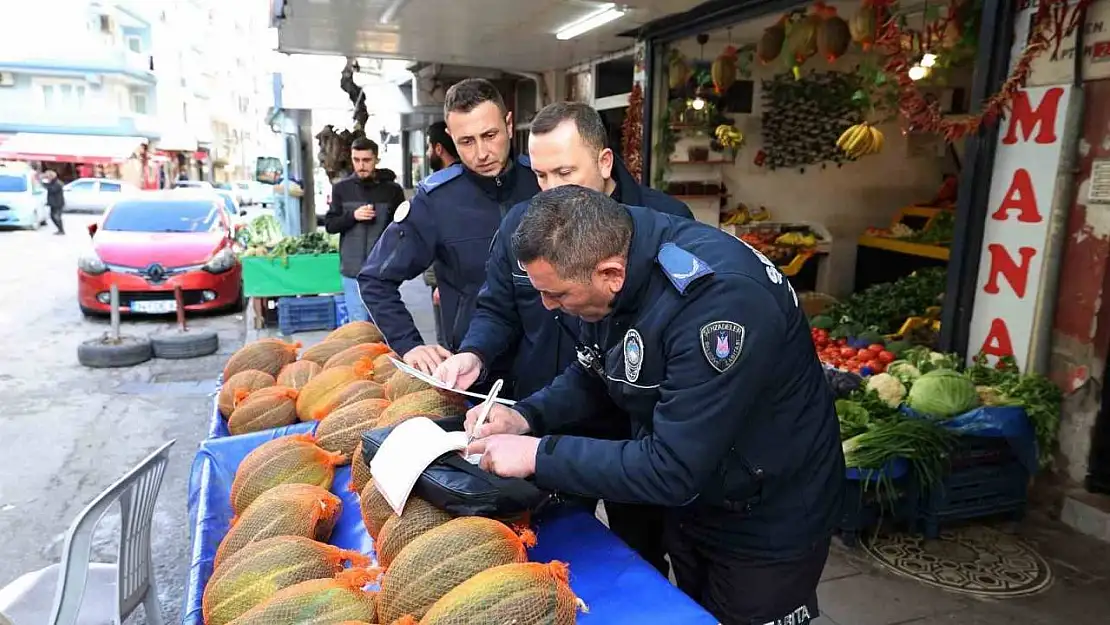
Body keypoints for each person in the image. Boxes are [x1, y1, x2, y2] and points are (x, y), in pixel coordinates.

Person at [465, 185, 845, 625]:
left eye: (559, 295)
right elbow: (594, 374)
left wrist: (536, 454)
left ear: (610, 273)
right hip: (703, 498)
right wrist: (525, 415)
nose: (551, 308)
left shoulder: (717, 303)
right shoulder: (615, 259)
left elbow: (673, 467)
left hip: (767, 520)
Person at [433, 101, 693, 574]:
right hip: (544, 419)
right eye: (541, 176)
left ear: (605, 162)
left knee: (637, 559)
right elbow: (497, 307)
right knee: (550, 552)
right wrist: (475, 352)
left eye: (565, 172)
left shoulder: (663, 222)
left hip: (630, 436)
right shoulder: (523, 227)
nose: (551, 190)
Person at [358, 78, 540, 381]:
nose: (481, 153)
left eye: (490, 135)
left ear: (509, 125)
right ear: (450, 136)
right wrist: (409, 345)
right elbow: (375, 279)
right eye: (466, 141)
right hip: (476, 373)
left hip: (555, 367)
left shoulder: (543, 181)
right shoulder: (436, 201)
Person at [325, 137, 406, 323]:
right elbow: (330, 225)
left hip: (383, 270)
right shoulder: (341, 189)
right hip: (352, 269)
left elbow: (403, 228)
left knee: (384, 324)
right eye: (356, 160)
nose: (361, 165)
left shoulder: (392, 190)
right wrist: (352, 216)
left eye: (366, 160)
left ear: (376, 159)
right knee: (359, 325)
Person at [421, 120, 460, 347]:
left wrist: (438, 284)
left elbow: (442, 241)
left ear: (438, 148)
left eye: (428, 147)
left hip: (449, 284)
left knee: (448, 343)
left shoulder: (439, 190)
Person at [41, 170, 65, 235]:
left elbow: (51, 189)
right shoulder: (54, 182)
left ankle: (61, 230)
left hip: (58, 203)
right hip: (54, 203)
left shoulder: (57, 183)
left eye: (47, 177)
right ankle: (60, 230)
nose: (47, 179)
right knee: (53, 216)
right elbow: (49, 186)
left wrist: (44, 184)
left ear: (51, 176)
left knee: (56, 217)